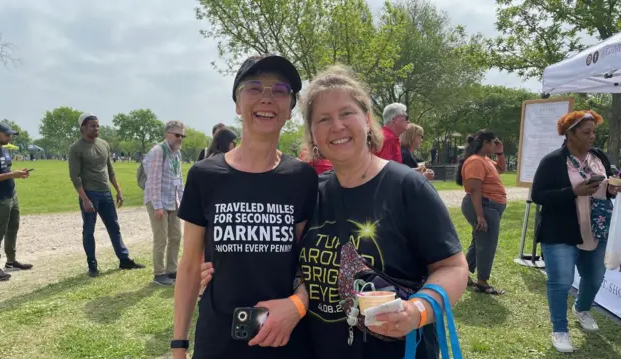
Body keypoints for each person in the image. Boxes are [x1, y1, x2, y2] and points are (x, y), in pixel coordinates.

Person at [202, 65, 468, 358]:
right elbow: (288, 264)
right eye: (323, 119)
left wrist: (418, 310)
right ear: (313, 134)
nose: (337, 126)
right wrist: (220, 265)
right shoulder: (311, 193)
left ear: (367, 120)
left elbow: (452, 267)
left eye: (346, 113)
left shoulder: (407, 186)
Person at [172, 54, 318, 359]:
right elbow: (188, 265)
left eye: (279, 91)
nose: (267, 98)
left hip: (284, 337)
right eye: (254, 88)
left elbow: (308, 264)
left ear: (290, 109)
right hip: (219, 339)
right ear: (238, 104)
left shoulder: (302, 178)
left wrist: (297, 304)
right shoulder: (205, 175)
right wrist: (179, 345)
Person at [531, 110, 619, 353]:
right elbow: (537, 195)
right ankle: (559, 329)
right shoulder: (552, 161)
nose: (592, 137)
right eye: (586, 132)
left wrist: (612, 188)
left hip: (597, 228)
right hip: (560, 230)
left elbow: (606, 184)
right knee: (561, 281)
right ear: (570, 134)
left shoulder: (598, 156)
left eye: (594, 132)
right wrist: (573, 192)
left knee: (595, 277)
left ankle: (581, 309)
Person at [69, 113, 145, 277]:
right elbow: (75, 177)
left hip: (106, 193)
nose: (96, 129)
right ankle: (92, 264)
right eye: (92, 126)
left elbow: (110, 169)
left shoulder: (104, 144)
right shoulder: (76, 149)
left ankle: (124, 259)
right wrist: (85, 199)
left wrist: (118, 190)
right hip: (89, 194)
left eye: (97, 125)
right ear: (83, 127)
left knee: (114, 227)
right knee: (89, 230)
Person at [456, 130, 507, 295]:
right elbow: (474, 190)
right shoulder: (475, 161)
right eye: (494, 142)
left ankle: (462, 275)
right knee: (487, 244)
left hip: (488, 207)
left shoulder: (485, 160)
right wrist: (480, 215)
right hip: (482, 206)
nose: (495, 145)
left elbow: (501, 168)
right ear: (485, 142)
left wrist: (500, 152)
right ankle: (482, 282)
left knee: (479, 241)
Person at [0, 123, 33, 281]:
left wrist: (18, 173)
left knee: (13, 228)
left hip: (12, 195)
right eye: (7, 134)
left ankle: (10, 262)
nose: (10, 137)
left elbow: (4, 170)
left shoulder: (4, 149)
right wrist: (12, 175)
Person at [143, 121, 186, 286]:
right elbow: (153, 180)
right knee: (161, 238)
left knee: (176, 236)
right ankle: (159, 274)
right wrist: (157, 205)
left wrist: (181, 202)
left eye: (182, 135)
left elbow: (179, 179)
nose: (180, 138)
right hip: (158, 201)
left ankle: (172, 270)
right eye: (177, 135)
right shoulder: (158, 151)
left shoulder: (177, 153)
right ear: (167, 134)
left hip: (173, 200)